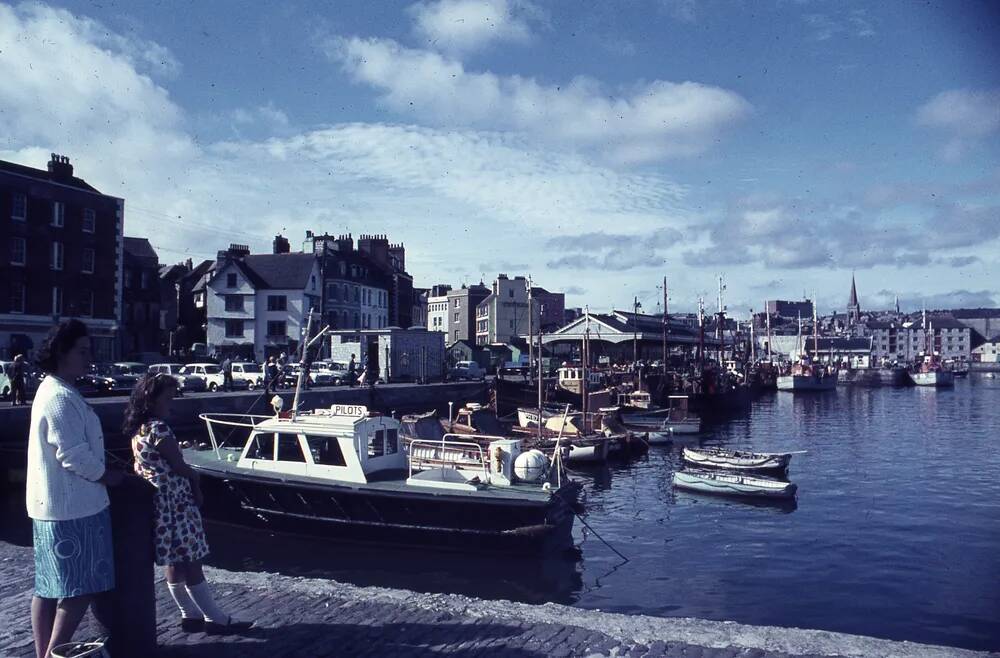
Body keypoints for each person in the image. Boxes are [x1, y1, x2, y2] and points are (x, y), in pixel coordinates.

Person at [125, 373, 253, 635]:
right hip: (177, 501)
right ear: (152, 399)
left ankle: (189, 614)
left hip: (160, 503)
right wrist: (196, 481)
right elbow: (180, 466)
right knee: (192, 559)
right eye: (168, 398)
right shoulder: (159, 428)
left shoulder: (139, 430)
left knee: (174, 560)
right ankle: (215, 618)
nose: (171, 403)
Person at [27, 320, 125, 658]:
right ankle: (55, 653)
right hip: (74, 508)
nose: (89, 358)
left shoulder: (53, 389)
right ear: (60, 353)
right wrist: (107, 476)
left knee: (48, 587)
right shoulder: (60, 397)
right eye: (82, 351)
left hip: (52, 506)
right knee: (79, 589)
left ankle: (44, 653)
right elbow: (71, 454)